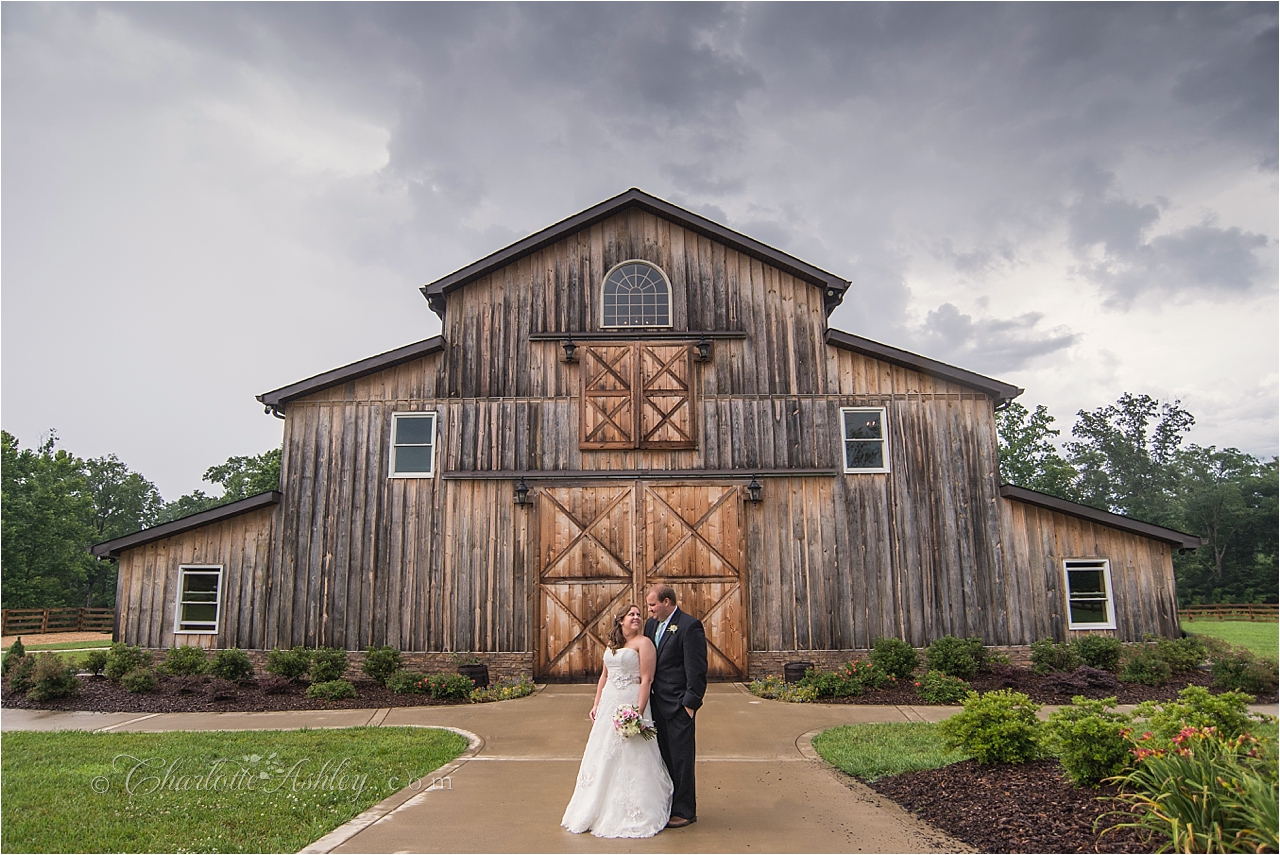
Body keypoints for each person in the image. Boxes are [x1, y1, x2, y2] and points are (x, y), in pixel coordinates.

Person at [561, 604, 673, 838]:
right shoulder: (612, 645)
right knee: (603, 754)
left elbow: (647, 679)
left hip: (631, 701)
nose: (637, 617)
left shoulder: (644, 643)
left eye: (638, 614)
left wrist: (637, 714)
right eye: (631, 614)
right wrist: (596, 704)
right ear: (620, 620)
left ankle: (634, 810)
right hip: (609, 705)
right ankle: (595, 806)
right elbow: (604, 676)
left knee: (631, 754)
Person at [644, 583, 707, 828]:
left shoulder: (689, 626)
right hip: (655, 704)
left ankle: (685, 810)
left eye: (652, 605)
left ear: (667, 602)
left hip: (679, 705)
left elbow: (697, 669)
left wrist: (690, 704)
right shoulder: (651, 625)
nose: (649, 610)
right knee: (663, 758)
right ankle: (667, 805)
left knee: (681, 759)